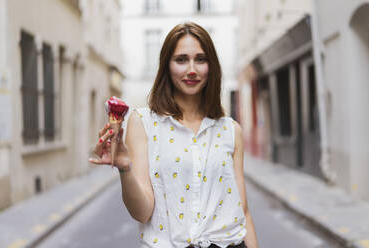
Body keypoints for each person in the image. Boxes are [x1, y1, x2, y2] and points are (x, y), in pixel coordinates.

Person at [89, 22, 259, 248]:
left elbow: (243, 211)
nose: (192, 69)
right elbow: (142, 212)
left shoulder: (230, 130)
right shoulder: (144, 123)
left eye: (200, 59)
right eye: (181, 60)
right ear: (167, 66)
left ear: (212, 66)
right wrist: (125, 168)